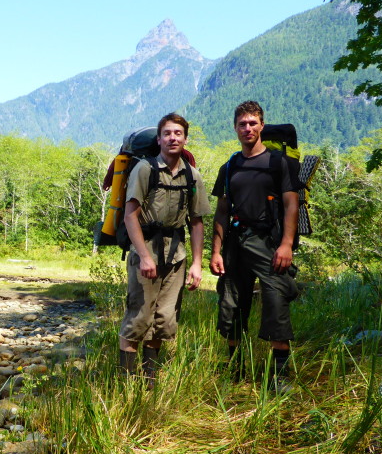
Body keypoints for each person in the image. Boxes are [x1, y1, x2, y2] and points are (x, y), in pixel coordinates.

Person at [210, 101, 301, 392]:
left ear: (261, 125)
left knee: (276, 300)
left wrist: (286, 244)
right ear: (235, 128)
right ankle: (234, 369)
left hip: (270, 243)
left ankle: (279, 375)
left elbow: (291, 204)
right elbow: (222, 211)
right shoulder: (229, 167)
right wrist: (216, 251)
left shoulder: (278, 163)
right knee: (231, 302)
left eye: (252, 123)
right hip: (236, 243)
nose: (247, 128)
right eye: (242, 124)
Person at [118, 113, 210, 383]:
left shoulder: (192, 175)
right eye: (168, 133)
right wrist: (145, 257)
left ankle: (149, 382)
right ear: (159, 139)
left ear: (185, 139)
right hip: (145, 251)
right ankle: (125, 383)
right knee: (138, 318)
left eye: (178, 133)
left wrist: (196, 263)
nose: (173, 138)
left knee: (165, 320)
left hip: (176, 255)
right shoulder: (145, 169)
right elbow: (130, 215)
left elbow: (196, 222)